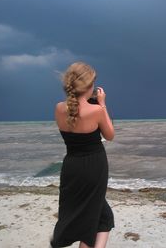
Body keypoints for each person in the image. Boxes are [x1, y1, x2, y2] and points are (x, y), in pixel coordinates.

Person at [50, 62, 115, 248]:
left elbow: (75, 120)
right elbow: (110, 136)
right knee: (96, 218)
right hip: (94, 167)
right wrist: (102, 105)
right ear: (89, 86)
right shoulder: (96, 110)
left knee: (84, 214)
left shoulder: (58, 108)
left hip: (71, 167)